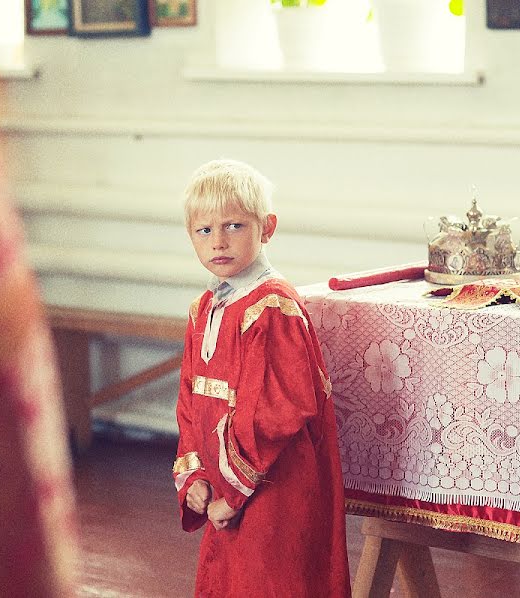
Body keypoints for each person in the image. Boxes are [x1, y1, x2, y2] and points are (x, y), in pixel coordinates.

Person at [172, 159, 351, 597]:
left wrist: (230, 497)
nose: (218, 241)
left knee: (272, 583)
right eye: (204, 230)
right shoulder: (204, 310)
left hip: (275, 490)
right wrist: (194, 479)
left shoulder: (271, 308)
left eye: (234, 225)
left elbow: (272, 415)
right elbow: (189, 404)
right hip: (225, 493)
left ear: (267, 227)